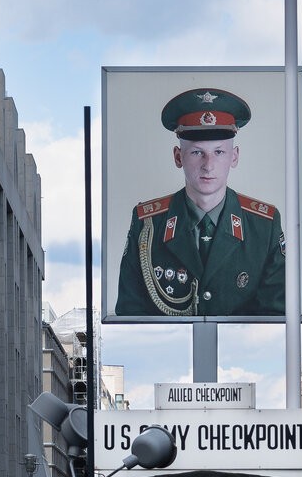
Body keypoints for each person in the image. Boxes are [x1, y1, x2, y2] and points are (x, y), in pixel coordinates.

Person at [114, 87, 286, 318]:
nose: (208, 165)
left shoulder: (264, 226)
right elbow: (130, 315)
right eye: (196, 152)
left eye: (218, 152)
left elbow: (276, 320)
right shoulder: (147, 224)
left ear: (234, 157)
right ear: (178, 156)